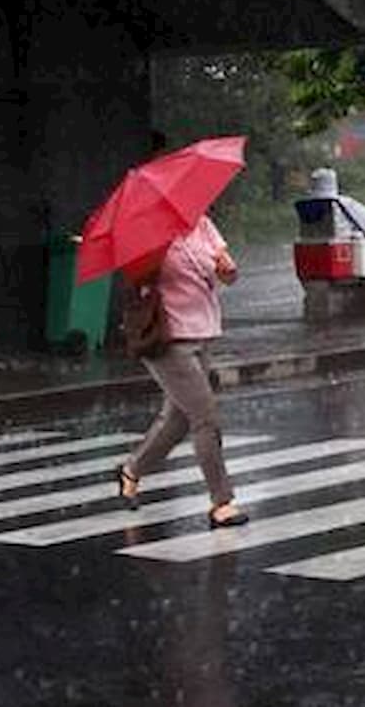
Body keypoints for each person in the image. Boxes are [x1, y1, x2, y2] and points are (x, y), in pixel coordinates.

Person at [115, 214, 248, 529]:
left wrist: (228, 270)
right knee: (206, 417)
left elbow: (226, 272)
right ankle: (221, 502)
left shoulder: (201, 225)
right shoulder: (145, 231)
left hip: (203, 331)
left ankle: (132, 469)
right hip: (167, 338)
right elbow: (135, 278)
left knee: (176, 421)